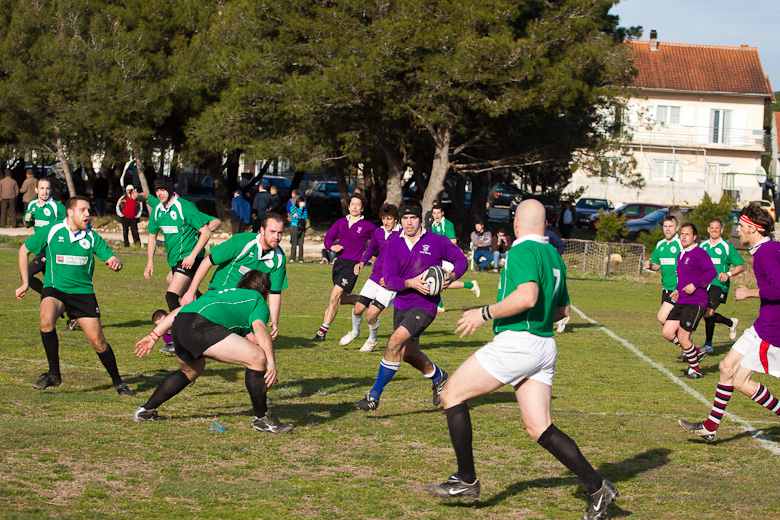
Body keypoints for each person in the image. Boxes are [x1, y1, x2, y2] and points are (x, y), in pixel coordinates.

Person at [425, 200, 618, 520]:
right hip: (544, 345)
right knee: (540, 427)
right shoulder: (553, 255)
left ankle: (466, 479)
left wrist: (483, 313)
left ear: (516, 224)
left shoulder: (522, 250)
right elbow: (562, 311)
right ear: (545, 224)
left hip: (518, 343)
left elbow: (527, 296)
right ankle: (598, 489)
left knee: (451, 394)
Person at [133, 270, 293, 434]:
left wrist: (153, 336)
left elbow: (178, 311)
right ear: (264, 288)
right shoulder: (257, 299)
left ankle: (145, 411)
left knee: (190, 371)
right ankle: (263, 420)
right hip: (201, 326)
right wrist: (271, 362)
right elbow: (259, 327)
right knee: (257, 357)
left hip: (180, 325)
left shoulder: (219, 293)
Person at [678, 204, 780, 442]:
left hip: (772, 328)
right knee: (726, 367)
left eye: (742, 226)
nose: (738, 230)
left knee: (741, 382)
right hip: (761, 324)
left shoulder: (766, 252)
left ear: (754, 228)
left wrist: (749, 293)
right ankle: (710, 427)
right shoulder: (766, 249)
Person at [353, 201, 467, 411]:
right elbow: (389, 280)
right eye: (405, 218)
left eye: (413, 218)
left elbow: (461, 260)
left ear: (420, 219)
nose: (408, 222)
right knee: (409, 354)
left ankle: (373, 396)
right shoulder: (394, 245)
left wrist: (452, 275)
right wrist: (410, 283)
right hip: (402, 304)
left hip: (425, 305)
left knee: (394, 343)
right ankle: (438, 376)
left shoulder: (436, 241)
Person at [14, 196, 133, 396]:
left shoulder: (92, 237)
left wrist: (116, 262)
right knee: (46, 318)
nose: (88, 214)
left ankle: (118, 382)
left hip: (83, 294)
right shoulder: (52, 230)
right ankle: (54, 374)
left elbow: (112, 256)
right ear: (70, 212)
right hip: (55, 289)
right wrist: (25, 282)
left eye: (88, 210)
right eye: (83, 210)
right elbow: (23, 250)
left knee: (98, 343)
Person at [181, 213, 287, 342]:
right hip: (221, 294)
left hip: (246, 304)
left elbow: (275, 293)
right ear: (262, 230)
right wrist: (191, 292)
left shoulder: (279, 258)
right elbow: (207, 262)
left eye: (280, 233)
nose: (277, 237)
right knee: (197, 327)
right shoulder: (242, 242)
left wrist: (275, 321)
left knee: (258, 341)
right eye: (272, 231)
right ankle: (171, 337)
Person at [144, 176, 221, 312]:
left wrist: (192, 256)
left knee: (171, 296)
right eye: (157, 190)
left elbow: (206, 232)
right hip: (175, 259)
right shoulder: (157, 210)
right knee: (189, 295)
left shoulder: (184, 207)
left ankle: (177, 325)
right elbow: (152, 237)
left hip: (189, 258)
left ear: (170, 190)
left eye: (163, 190)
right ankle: (212, 310)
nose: (159, 193)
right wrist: (150, 262)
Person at [312, 193, 376, 341]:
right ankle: (368, 300)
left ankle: (322, 332)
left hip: (352, 266)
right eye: (352, 204)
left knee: (334, 296)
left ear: (362, 208)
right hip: (339, 264)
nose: (354, 207)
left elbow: (378, 240)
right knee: (342, 299)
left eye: (358, 205)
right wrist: (331, 246)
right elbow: (328, 238)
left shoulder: (368, 226)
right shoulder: (341, 222)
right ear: (348, 206)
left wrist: (370, 254)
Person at [339, 203, 402, 352]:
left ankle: (372, 340)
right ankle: (354, 332)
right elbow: (371, 249)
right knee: (358, 309)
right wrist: (361, 262)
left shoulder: (402, 235)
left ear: (396, 219)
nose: (386, 222)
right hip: (375, 277)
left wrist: (392, 278)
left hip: (389, 282)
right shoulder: (379, 232)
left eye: (389, 218)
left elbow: (405, 260)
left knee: (371, 314)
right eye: (383, 218)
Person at [661, 223, 717, 379]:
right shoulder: (681, 254)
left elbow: (712, 272)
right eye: (682, 234)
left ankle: (696, 370)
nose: (684, 237)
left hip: (696, 301)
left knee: (683, 337)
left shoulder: (699, 253)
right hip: (682, 300)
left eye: (687, 234)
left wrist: (695, 285)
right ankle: (695, 352)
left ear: (695, 237)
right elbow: (683, 278)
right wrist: (677, 290)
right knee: (667, 332)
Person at [699, 218, 744, 354]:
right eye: (712, 227)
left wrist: (728, 274)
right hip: (704, 284)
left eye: (717, 228)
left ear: (721, 230)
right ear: (708, 229)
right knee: (705, 312)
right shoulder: (702, 246)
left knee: (708, 312)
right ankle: (730, 323)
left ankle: (708, 344)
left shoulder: (726, 247)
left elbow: (740, 266)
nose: (714, 230)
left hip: (719, 285)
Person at [429, 203, 480, 312]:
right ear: (432, 214)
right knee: (439, 281)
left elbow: (453, 241)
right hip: (439, 257)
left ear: (442, 213)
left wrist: (440, 247)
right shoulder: (434, 225)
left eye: (439, 213)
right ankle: (470, 285)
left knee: (438, 281)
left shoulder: (447, 224)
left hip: (448, 257)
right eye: (435, 213)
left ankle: (440, 305)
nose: (437, 215)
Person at [23, 178, 67, 295]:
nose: (45, 191)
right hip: (39, 247)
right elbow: (27, 224)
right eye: (42, 188)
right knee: (52, 282)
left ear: (51, 190)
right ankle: (53, 298)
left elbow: (70, 221)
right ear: (36, 190)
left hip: (51, 248)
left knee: (26, 274)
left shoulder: (56, 206)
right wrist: (27, 221)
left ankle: (49, 296)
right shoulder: (32, 205)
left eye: (47, 188)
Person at [644, 215, 682, 324]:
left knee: (663, 318)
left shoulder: (681, 244)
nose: (668, 229)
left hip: (678, 289)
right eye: (665, 226)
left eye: (670, 226)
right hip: (666, 288)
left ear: (677, 228)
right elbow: (657, 265)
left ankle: (684, 334)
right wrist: (650, 265)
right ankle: (684, 335)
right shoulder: (660, 244)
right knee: (668, 323)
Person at [289, 196, 308, 263]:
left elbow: (305, 216)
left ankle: (300, 258)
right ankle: (292, 257)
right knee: (294, 242)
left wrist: (300, 213)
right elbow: (297, 215)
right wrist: (300, 208)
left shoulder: (304, 209)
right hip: (294, 226)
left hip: (302, 226)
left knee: (301, 243)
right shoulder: (292, 208)